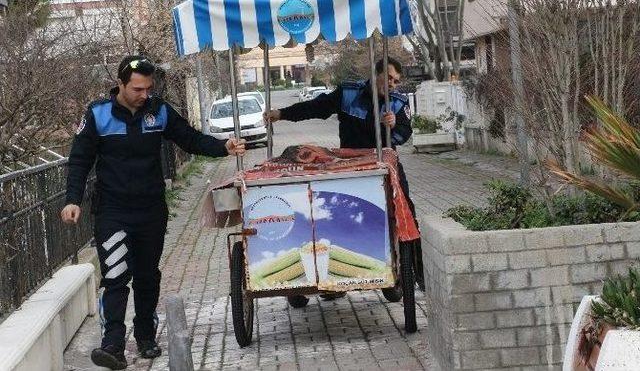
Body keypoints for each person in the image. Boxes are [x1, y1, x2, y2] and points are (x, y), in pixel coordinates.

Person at [61, 55, 245, 370]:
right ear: (120, 84)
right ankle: (113, 346)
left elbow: (189, 138)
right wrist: (72, 199)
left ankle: (146, 336)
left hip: (150, 210)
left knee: (147, 276)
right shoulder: (97, 115)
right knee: (116, 276)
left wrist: (222, 148)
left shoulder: (158, 111)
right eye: (137, 89)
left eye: (148, 88)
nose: (144, 94)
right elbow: (79, 160)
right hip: (112, 212)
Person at [264, 56, 425, 292]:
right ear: (375, 73)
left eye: (396, 81)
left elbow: (404, 133)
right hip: (348, 166)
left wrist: (391, 126)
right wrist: (281, 114)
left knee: (406, 210)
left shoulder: (398, 104)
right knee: (335, 214)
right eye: (389, 78)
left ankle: (418, 274)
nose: (392, 84)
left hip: (383, 162)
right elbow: (316, 108)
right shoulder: (348, 93)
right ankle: (333, 277)